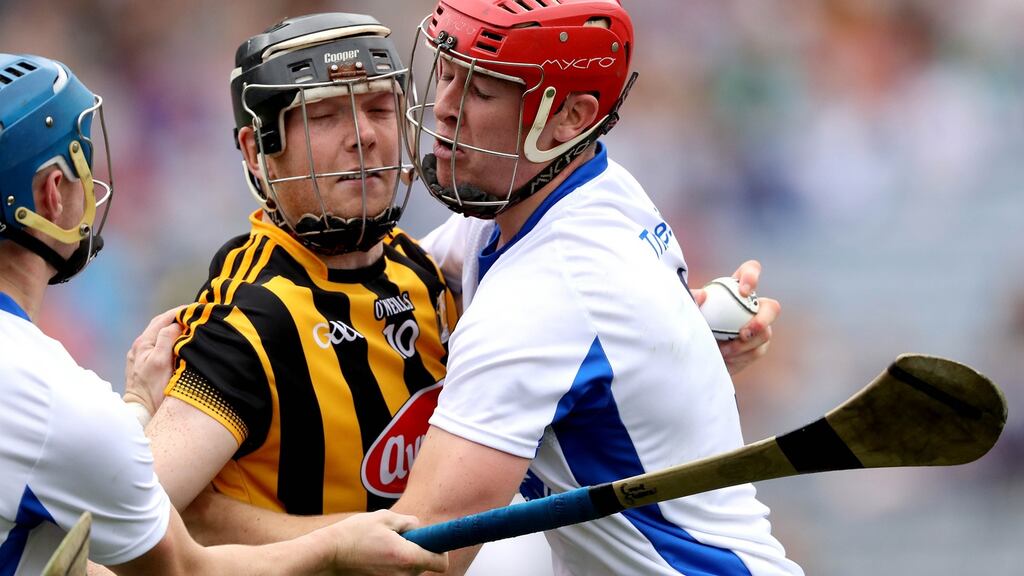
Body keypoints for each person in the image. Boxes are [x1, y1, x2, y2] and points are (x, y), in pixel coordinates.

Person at [386, 1, 805, 574]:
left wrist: (253, 544)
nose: (445, 107)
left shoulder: (542, 294)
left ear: (571, 117)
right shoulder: (591, 188)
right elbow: (390, 287)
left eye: (482, 91)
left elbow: (415, 562)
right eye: (447, 73)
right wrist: (679, 346)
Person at [0, 52, 446, 576]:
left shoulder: (433, 269)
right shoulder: (245, 317)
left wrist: (137, 411)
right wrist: (332, 545)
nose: (364, 135)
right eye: (325, 116)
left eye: (380, 109)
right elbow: (166, 554)